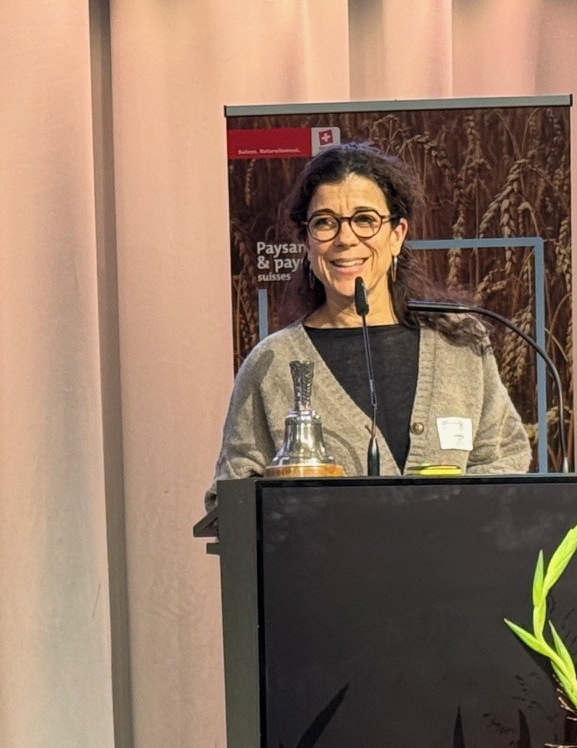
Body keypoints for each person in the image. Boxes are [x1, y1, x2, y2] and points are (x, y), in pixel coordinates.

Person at [208, 142, 531, 507]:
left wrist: (441, 522)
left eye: (365, 219)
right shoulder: (272, 364)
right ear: (306, 242)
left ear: (397, 234)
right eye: (325, 223)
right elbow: (230, 502)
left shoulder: (460, 345)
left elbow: (505, 461)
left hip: (453, 562)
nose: (346, 239)